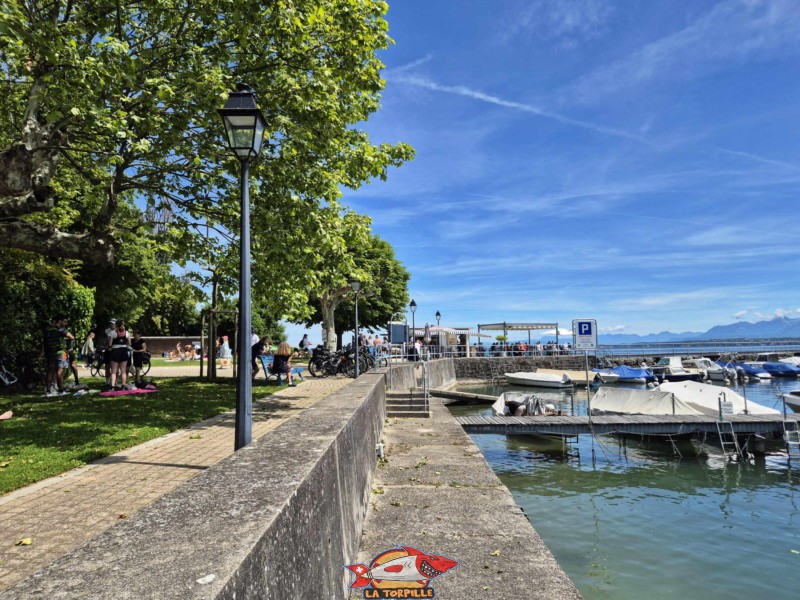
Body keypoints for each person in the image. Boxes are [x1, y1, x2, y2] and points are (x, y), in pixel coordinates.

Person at [43, 316, 74, 396]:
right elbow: (71, 337)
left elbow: (45, 343)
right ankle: (61, 391)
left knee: (50, 371)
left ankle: (48, 391)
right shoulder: (60, 330)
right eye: (63, 321)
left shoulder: (47, 330)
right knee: (60, 371)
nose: (64, 323)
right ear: (59, 321)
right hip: (61, 353)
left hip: (50, 352)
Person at [108, 319, 132, 389]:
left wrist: (110, 346)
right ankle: (123, 386)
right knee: (123, 371)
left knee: (113, 371)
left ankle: (112, 387)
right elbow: (129, 344)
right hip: (124, 351)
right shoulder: (127, 333)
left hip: (115, 351)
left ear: (116, 325)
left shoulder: (112, 332)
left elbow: (110, 344)